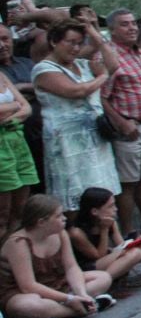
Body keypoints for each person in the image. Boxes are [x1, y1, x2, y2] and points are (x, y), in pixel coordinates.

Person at [32, 19, 122, 209]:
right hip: (66, 141)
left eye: (80, 43)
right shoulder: (43, 69)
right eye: (71, 42)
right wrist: (102, 76)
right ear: (54, 41)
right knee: (74, 194)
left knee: (101, 190)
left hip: (95, 137)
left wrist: (93, 32)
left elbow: (113, 64)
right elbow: (76, 91)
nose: (76, 48)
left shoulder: (82, 64)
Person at [1, 194, 115, 318]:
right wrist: (69, 299)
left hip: (58, 284)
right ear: (41, 222)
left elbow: (71, 267)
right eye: (59, 216)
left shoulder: (60, 233)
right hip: (25, 293)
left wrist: (81, 293)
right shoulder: (18, 243)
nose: (64, 218)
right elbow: (28, 286)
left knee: (103, 277)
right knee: (26, 306)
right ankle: (83, 309)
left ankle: (58, 312)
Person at [67, 186, 141, 280]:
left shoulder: (111, 222)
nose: (115, 209)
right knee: (135, 253)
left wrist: (137, 242)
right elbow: (98, 256)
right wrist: (104, 230)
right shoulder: (77, 232)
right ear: (94, 211)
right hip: (89, 267)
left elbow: (121, 245)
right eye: (110, 206)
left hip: (107, 257)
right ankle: (103, 282)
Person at [0, 64, 37, 237]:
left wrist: (8, 116)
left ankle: (11, 247)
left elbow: (27, 108)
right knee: (3, 212)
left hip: (18, 143)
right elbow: (20, 105)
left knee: (20, 209)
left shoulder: (1, 75)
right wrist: (15, 106)